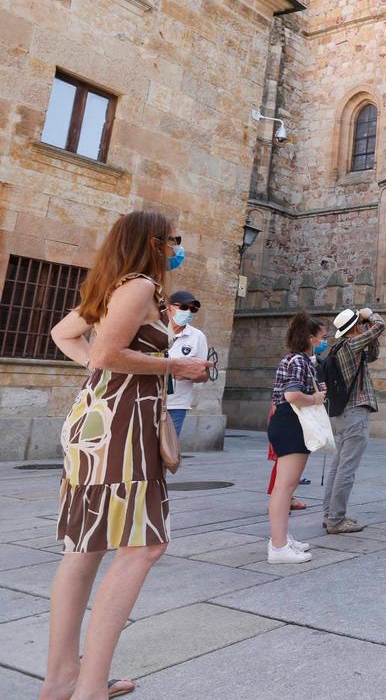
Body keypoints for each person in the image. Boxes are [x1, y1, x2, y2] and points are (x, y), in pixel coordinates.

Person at [46, 210, 210, 700]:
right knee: (143, 546)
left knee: (86, 547)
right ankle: (89, 687)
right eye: (174, 239)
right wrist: (175, 365)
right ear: (154, 242)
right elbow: (104, 353)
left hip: (99, 420)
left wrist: (104, 376)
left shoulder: (113, 285)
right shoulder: (138, 286)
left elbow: (65, 335)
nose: (178, 248)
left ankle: (62, 680)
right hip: (122, 425)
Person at [265, 313, 328, 564]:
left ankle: (281, 538)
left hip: (287, 422)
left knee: (286, 487)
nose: (325, 342)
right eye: (322, 338)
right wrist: (315, 399)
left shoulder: (295, 359)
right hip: (292, 422)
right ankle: (278, 547)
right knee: (284, 489)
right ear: (311, 339)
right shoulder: (300, 361)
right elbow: (292, 395)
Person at [321, 306, 386, 534]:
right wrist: (370, 315)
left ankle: (329, 513)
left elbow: (373, 355)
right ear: (355, 327)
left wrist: (366, 328)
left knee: (338, 466)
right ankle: (336, 520)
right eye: (360, 323)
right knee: (346, 469)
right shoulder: (350, 344)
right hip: (354, 413)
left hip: (340, 415)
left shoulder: (338, 347)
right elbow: (381, 326)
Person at [164, 290, 209, 438]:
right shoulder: (156, 329)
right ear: (169, 307)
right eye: (184, 308)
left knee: (168, 451)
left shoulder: (197, 337)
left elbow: (204, 375)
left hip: (176, 405)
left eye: (193, 309)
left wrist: (189, 374)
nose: (188, 312)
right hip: (148, 398)